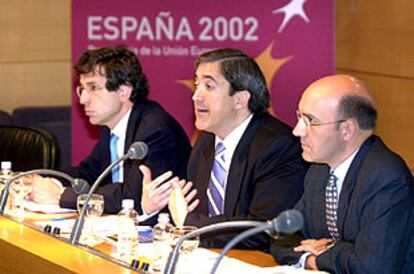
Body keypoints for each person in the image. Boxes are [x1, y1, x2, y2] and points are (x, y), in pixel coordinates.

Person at [158, 48, 306, 250]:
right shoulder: (205, 143)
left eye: (209, 86)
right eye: (197, 85)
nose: (196, 96)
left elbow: (264, 229)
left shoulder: (278, 147)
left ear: (240, 99)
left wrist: (189, 224)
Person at [30, 45, 192, 224]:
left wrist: (61, 195)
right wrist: (43, 181)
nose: (83, 99)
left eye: (93, 88)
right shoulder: (112, 126)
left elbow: (133, 196)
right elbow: (87, 173)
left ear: (123, 91)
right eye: (81, 89)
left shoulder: (155, 130)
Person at [271, 74, 414, 273]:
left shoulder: (385, 178)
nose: (297, 131)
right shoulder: (320, 171)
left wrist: (327, 252)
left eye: (311, 120)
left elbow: (372, 268)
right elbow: (283, 236)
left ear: (347, 130)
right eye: (299, 117)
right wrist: (310, 258)